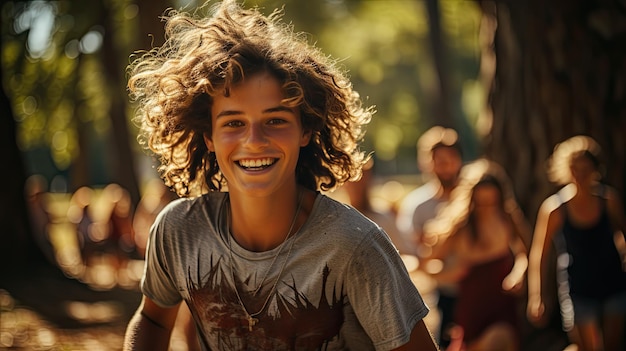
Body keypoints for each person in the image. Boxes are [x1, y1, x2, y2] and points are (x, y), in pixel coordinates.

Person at [123, 1, 439, 350]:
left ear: (305, 130)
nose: (254, 141)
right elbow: (152, 318)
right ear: (209, 137)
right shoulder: (178, 232)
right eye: (234, 123)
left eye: (275, 120)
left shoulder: (353, 246)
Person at [527, 135, 626, 351]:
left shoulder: (609, 201)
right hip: (577, 286)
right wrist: (537, 296)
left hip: (613, 282)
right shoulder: (554, 209)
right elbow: (540, 255)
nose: (580, 174)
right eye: (575, 168)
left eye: (586, 168)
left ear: (596, 169)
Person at [422, 159, 530, 351]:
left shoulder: (507, 217)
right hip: (473, 302)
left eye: (491, 203)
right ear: (472, 201)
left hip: (502, 300)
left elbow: (525, 251)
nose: (486, 208)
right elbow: (427, 265)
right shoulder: (460, 227)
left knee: (502, 341)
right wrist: (450, 273)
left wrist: (518, 273)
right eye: (481, 203)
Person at [395, 125, 463, 348]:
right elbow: (414, 256)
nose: (445, 166)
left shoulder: (473, 199)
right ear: (427, 163)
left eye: (450, 158)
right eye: (438, 160)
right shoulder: (418, 206)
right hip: (443, 293)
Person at [342, 158, 412, 255]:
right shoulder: (339, 220)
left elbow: (404, 252)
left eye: (362, 178)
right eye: (351, 180)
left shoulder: (384, 217)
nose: (357, 185)